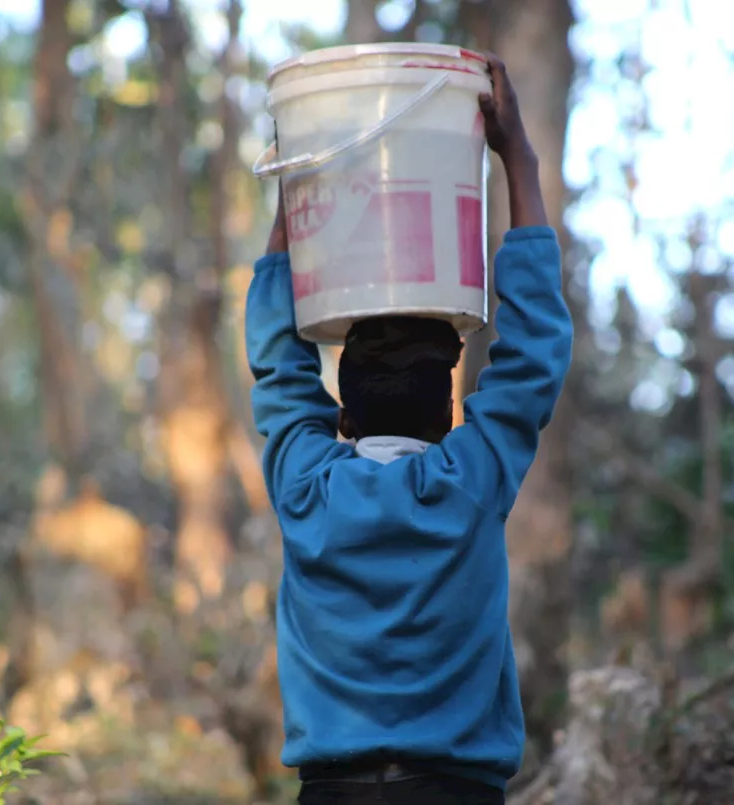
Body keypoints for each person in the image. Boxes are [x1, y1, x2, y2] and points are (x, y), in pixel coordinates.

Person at [245, 54, 573, 805]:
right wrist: (515, 158)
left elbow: (275, 360)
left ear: (344, 413)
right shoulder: (471, 480)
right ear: (448, 411)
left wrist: (301, 182)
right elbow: (533, 357)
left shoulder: (305, 486)